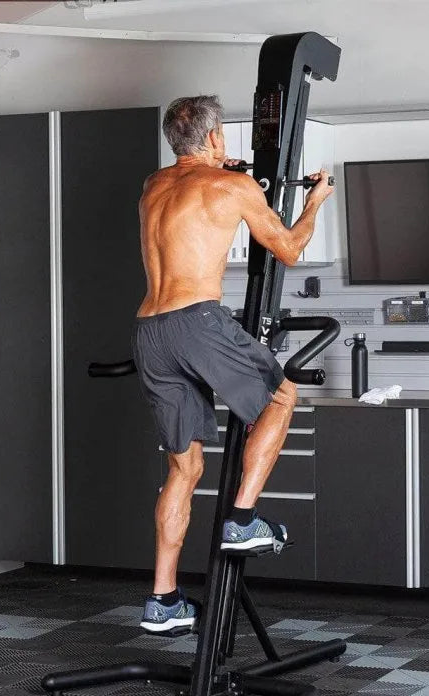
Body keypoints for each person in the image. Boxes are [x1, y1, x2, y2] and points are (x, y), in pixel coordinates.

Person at [133, 95, 334, 635]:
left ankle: (163, 599)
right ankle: (243, 519)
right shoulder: (232, 187)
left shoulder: (153, 185)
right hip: (197, 320)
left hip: (150, 330)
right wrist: (315, 201)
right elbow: (288, 249)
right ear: (215, 137)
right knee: (282, 395)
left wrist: (229, 173)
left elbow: (193, 195)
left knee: (183, 470)